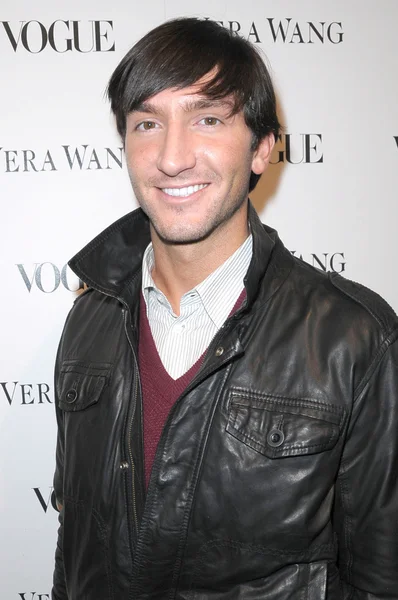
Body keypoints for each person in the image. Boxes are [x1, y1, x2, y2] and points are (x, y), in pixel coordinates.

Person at [51, 17, 398, 600]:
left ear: (263, 148)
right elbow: (76, 548)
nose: (172, 156)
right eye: (146, 123)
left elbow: (382, 578)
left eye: (208, 119)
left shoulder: (356, 338)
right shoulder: (89, 318)